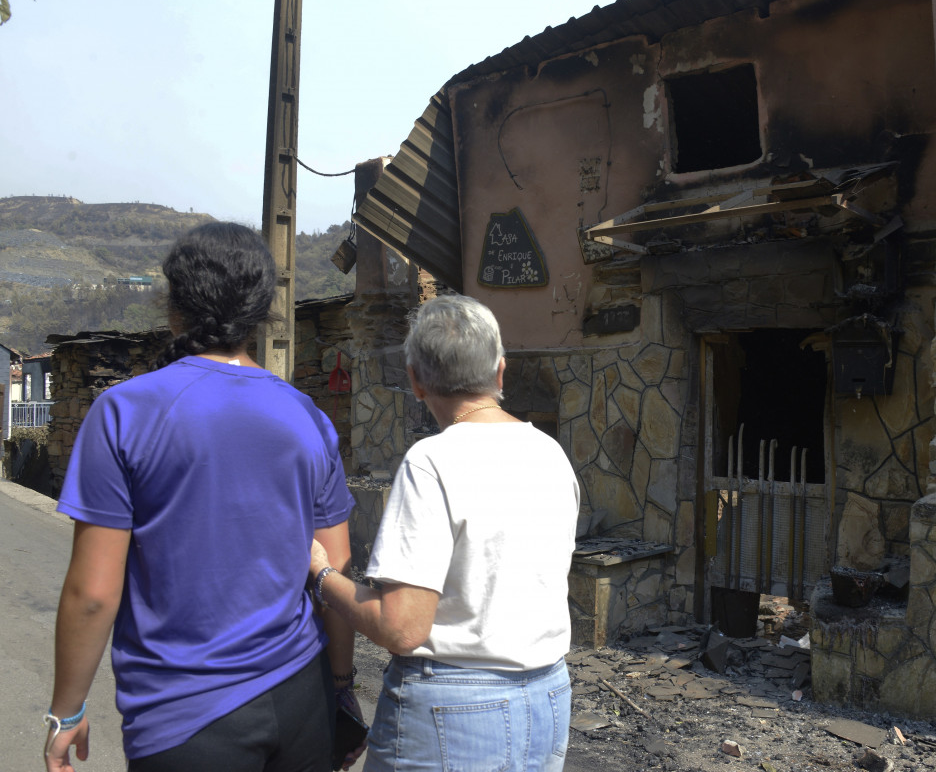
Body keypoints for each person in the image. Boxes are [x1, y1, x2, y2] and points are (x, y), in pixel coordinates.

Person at [45, 222, 361, 772]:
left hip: (184, 718)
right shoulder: (306, 415)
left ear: (175, 306)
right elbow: (335, 566)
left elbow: (94, 594)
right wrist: (340, 685)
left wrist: (66, 713)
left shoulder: (124, 412)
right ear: (263, 310)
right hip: (301, 699)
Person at [309, 294, 580, 772]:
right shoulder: (551, 454)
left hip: (454, 704)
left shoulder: (432, 461)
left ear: (414, 380)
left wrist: (322, 574)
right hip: (548, 694)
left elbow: (402, 627)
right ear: (500, 372)